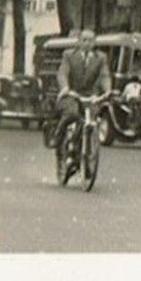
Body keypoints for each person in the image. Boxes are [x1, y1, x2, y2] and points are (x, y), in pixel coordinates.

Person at [53, 29, 112, 173]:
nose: (87, 43)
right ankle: (59, 140)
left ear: (94, 43)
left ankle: (84, 155)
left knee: (90, 118)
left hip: (90, 97)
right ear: (79, 42)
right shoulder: (68, 55)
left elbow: (105, 75)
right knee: (72, 114)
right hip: (71, 95)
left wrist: (108, 89)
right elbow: (62, 72)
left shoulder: (101, 58)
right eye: (84, 40)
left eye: (90, 40)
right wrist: (65, 87)